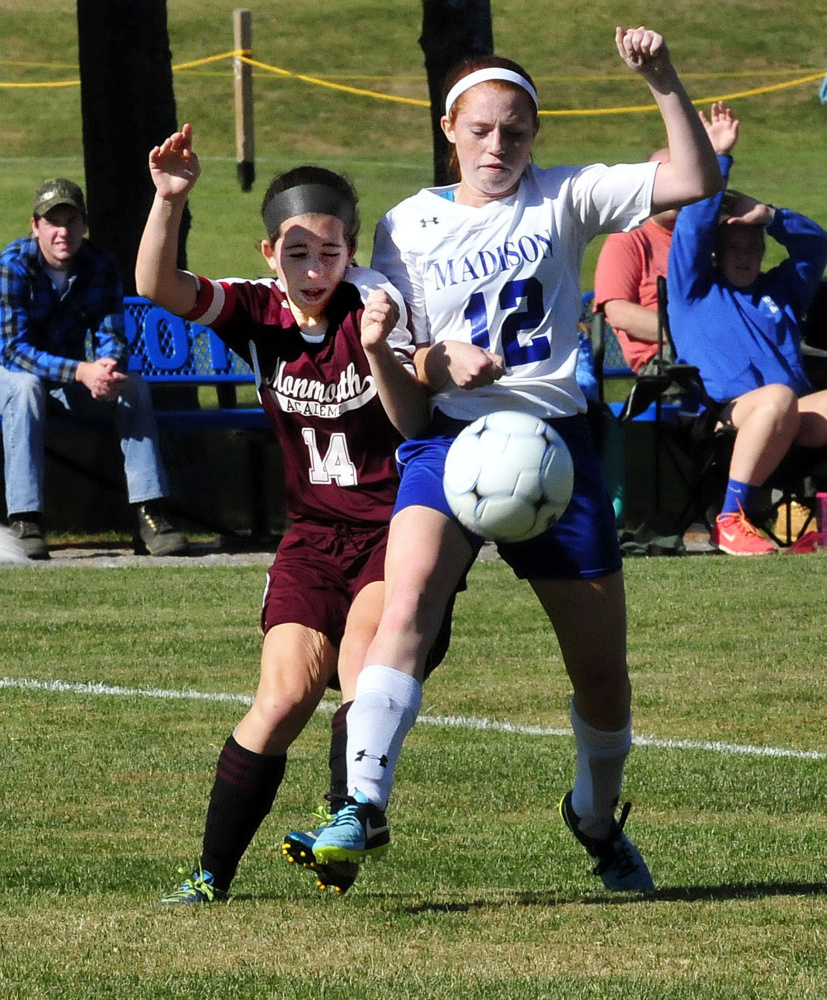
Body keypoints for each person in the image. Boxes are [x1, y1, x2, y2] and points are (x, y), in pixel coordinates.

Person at [300, 27, 722, 894]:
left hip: (552, 446)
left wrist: (662, 80)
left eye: (517, 131)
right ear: (448, 127)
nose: (499, 147)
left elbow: (694, 180)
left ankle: (595, 820)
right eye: (482, 129)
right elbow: (406, 383)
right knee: (405, 603)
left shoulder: (563, 198)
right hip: (449, 441)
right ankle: (361, 803)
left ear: (536, 136)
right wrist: (429, 359)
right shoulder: (406, 226)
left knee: (600, 675)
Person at [136, 124, 445, 901]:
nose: (314, 270)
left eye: (330, 253)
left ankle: (348, 823)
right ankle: (209, 875)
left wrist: (379, 350)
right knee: (278, 701)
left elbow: (415, 421)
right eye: (297, 253)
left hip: (391, 532)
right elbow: (158, 287)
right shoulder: (257, 310)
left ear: (351, 252)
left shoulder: (378, 307)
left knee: (358, 676)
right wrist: (168, 199)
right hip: (310, 539)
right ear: (270, 252)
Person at [667, 102, 827, 555]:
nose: (743, 255)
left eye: (751, 246)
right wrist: (718, 159)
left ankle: (808, 522)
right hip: (723, 413)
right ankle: (730, 518)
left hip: (790, 413)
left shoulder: (781, 289)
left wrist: (770, 217)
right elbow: (694, 226)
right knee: (777, 398)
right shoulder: (694, 288)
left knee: (784, 399)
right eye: (733, 247)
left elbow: (816, 247)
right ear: (717, 254)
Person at [0, 178, 188, 560]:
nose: (62, 232)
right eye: (53, 222)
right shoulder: (12, 265)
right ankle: (26, 519)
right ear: (35, 226)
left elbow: (113, 335)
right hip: (13, 383)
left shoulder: (100, 265)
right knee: (25, 387)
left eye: (71, 221)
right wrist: (81, 372)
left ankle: (151, 514)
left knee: (132, 387)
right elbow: (14, 352)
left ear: (84, 225)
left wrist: (108, 370)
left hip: (69, 383)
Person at [593, 150, 676, 372]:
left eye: (680, 178)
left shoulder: (707, 237)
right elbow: (619, 313)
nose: (674, 188)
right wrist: (691, 335)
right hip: (665, 364)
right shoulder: (628, 239)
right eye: (665, 179)